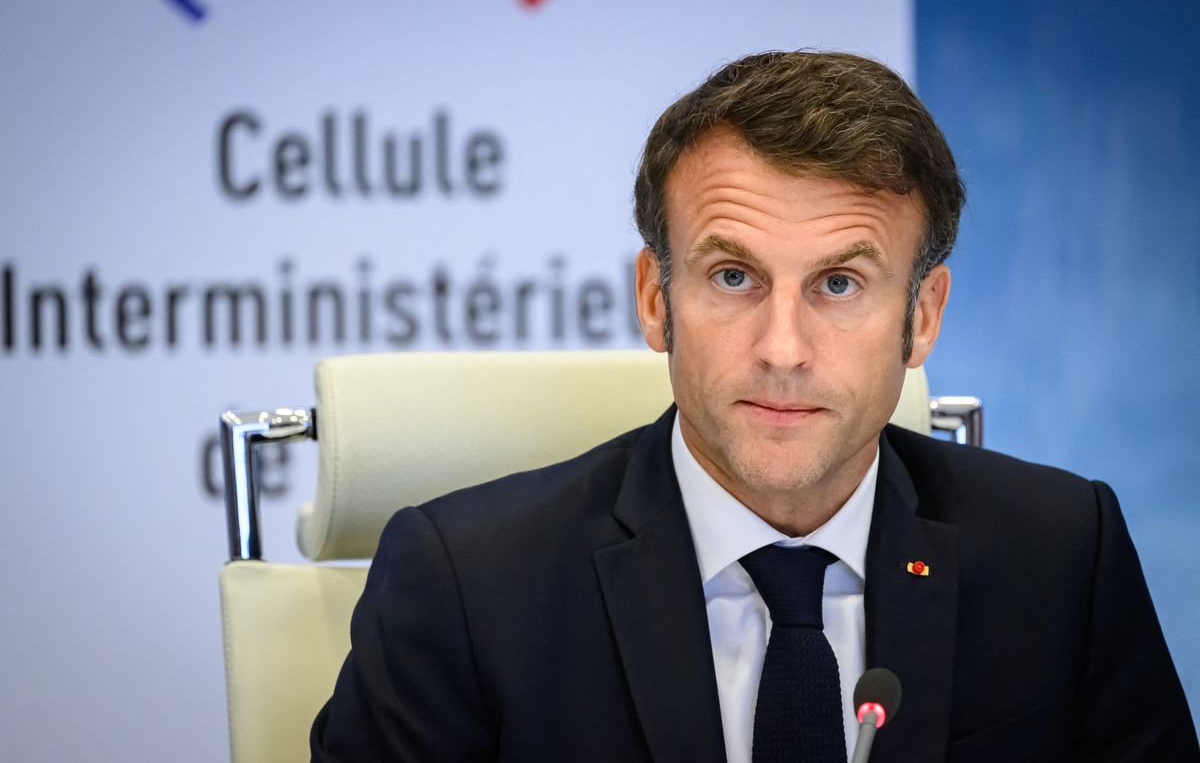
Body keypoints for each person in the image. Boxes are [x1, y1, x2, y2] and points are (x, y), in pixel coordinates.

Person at [310, 51, 1199, 762]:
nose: (782, 349)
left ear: (922, 317)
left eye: (839, 283)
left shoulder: (1062, 556)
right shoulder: (468, 586)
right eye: (734, 277)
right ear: (655, 300)